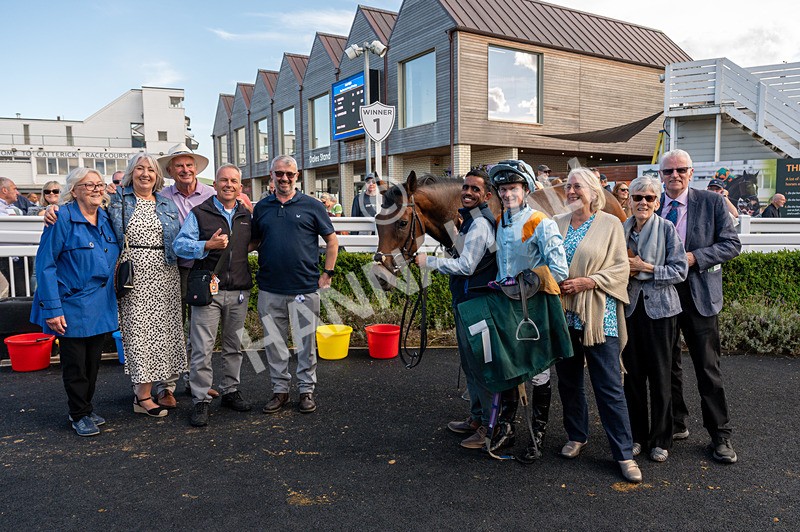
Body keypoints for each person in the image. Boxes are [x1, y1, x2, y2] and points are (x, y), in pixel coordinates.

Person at [553, 167, 641, 483]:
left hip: (598, 318)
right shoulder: (557, 223)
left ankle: (624, 454)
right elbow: (547, 261)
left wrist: (588, 281)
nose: (571, 191)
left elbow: (620, 270)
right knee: (569, 382)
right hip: (564, 316)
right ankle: (577, 436)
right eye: (568, 186)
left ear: (593, 192)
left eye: (577, 186)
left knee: (609, 388)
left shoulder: (610, 225)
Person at [657, 149, 742, 464]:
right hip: (662, 295)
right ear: (661, 176)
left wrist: (695, 258)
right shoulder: (652, 205)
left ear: (691, 173)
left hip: (699, 295)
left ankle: (720, 436)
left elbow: (732, 244)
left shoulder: (712, 202)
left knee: (707, 368)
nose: (675, 176)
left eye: (681, 170)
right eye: (668, 171)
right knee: (667, 365)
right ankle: (677, 423)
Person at [487, 160, 569, 463]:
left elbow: (560, 269)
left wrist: (528, 279)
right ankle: (507, 428)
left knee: (538, 371)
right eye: (503, 189)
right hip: (505, 303)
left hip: (533, 304)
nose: (508, 194)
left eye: (513, 188)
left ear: (526, 190)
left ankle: (538, 435)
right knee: (508, 366)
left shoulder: (540, 221)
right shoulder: (499, 221)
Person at [30, 168, 120, 436]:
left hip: (99, 303)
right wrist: (53, 309)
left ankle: (87, 408)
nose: (96, 189)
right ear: (74, 190)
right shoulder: (61, 219)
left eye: (99, 184)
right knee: (75, 364)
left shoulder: (106, 218)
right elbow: (45, 264)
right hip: (70, 304)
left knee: (93, 361)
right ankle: (78, 413)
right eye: (88, 185)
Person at [414, 169, 498, 450]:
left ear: (486, 195)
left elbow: (467, 267)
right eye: (466, 187)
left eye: (475, 189)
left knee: (480, 366)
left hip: (477, 303)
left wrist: (430, 263)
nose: (469, 192)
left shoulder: (481, 225)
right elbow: (460, 255)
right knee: (469, 364)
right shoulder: (469, 221)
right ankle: (476, 418)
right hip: (466, 300)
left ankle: (489, 426)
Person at [254, 155, 338, 414]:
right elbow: (254, 241)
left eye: (289, 174)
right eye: (279, 173)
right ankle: (280, 391)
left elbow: (332, 242)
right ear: (272, 175)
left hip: (304, 287)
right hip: (269, 289)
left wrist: (328, 273)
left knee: (305, 344)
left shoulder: (313, 205)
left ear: (297, 176)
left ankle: (306, 390)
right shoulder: (261, 207)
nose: (284, 178)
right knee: (274, 343)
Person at [173, 164, 254, 427]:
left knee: (234, 347)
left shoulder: (246, 215)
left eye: (234, 181)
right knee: (202, 348)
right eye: (223, 180)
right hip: (208, 291)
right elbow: (180, 245)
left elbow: (255, 242)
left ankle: (230, 391)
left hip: (239, 289)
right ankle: (200, 399)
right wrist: (206, 245)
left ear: (240, 187)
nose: (228, 185)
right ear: (215, 184)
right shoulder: (200, 212)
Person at [109, 153, 186, 418]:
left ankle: (157, 389)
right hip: (134, 274)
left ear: (157, 176)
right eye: (139, 169)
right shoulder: (118, 199)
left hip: (166, 272)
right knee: (140, 334)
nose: (145, 174)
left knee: (162, 334)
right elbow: (88, 206)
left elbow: (182, 235)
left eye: (150, 170)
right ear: (131, 173)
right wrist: (54, 209)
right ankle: (141, 397)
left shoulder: (166, 203)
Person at [622, 176, 688, 463]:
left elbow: (680, 270)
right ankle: (637, 435)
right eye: (638, 198)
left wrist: (644, 267)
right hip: (629, 310)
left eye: (649, 198)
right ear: (629, 200)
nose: (643, 203)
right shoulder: (621, 229)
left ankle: (662, 438)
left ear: (658, 202)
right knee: (632, 377)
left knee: (661, 376)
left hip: (661, 311)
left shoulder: (667, 228)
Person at [154, 143, 216, 409]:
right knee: (170, 326)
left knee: (199, 330)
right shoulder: (160, 196)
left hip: (203, 268)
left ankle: (196, 382)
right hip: (172, 267)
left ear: (196, 168)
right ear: (170, 170)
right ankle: (165, 385)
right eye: (179, 165)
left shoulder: (211, 194)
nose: (185, 169)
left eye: (189, 164)